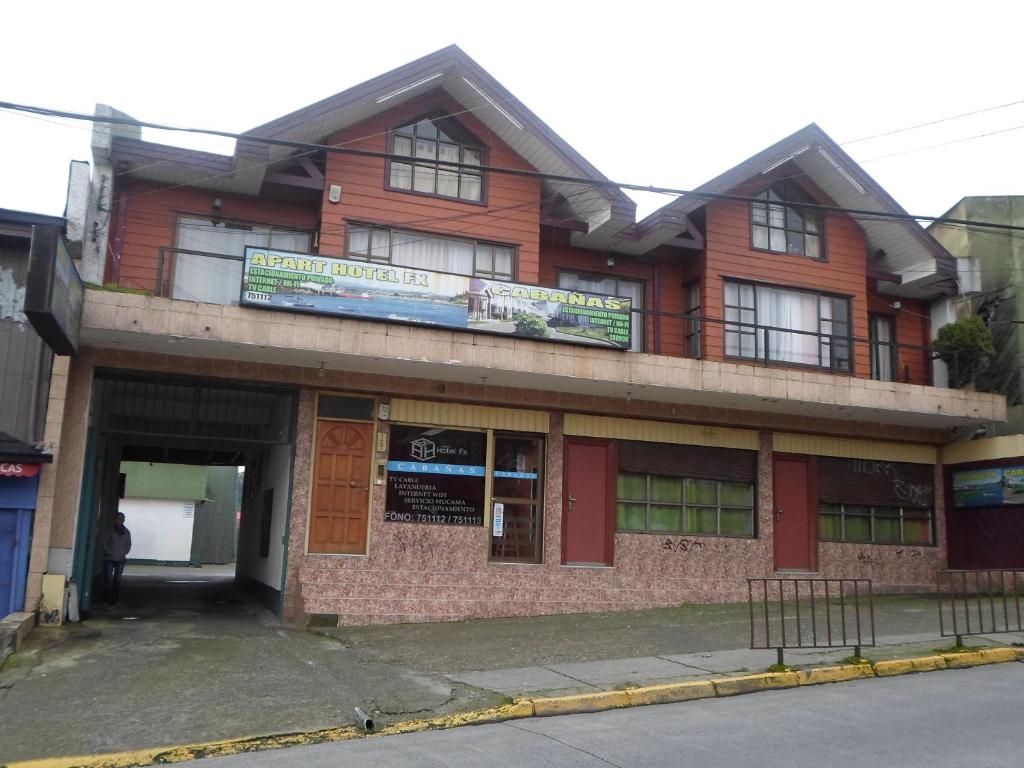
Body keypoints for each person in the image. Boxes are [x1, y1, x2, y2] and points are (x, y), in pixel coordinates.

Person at [101, 512, 132, 605]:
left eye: (122, 519)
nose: (120, 520)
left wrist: (124, 552)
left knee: (117, 580)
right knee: (109, 580)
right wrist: (109, 552)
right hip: (109, 559)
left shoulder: (126, 532)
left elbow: (128, 544)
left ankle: (115, 600)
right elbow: (104, 542)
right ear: (115, 519)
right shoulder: (110, 531)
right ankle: (105, 600)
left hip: (121, 559)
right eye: (119, 518)